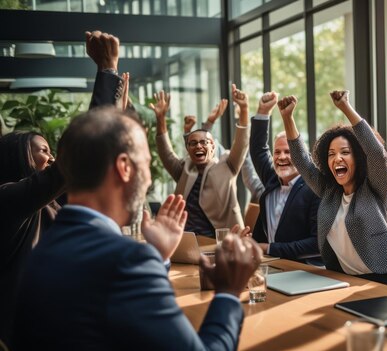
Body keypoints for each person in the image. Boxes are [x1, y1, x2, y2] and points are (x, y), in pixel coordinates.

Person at [13, 106, 262, 350]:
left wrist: (158, 255)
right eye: (146, 162)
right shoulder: (127, 261)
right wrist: (228, 292)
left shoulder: (44, 245)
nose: (150, 178)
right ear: (124, 167)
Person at [0, 30, 125, 346]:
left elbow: (91, 159)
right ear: (17, 155)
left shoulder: (46, 203)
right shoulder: (8, 199)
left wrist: (116, 116)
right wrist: (106, 71)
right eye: (42, 149)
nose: (52, 156)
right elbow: (82, 154)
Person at [279, 91, 387, 286]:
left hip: (380, 281)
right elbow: (302, 162)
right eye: (331, 154)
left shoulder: (375, 188)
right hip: (341, 280)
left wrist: (346, 107)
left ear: (359, 157)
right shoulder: (329, 192)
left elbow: (376, 154)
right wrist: (287, 117)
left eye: (345, 152)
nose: (337, 158)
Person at [152, 85, 250, 236]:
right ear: (188, 148)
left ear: (213, 146)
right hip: (185, 238)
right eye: (193, 143)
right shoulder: (185, 168)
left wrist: (244, 109)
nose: (198, 145)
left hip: (221, 240)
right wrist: (160, 119)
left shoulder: (227, 164)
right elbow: (166, 153)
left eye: (204, 142)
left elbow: (242, 143)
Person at [249, 91, 321, 263]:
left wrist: (269, 248)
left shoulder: (315, 187)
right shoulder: (272, 179)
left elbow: (317, 244)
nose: (281, 157)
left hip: (306, 270)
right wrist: (263, 112)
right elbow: (258, 150)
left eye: (288, 152)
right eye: (277, 152)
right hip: (271, 264)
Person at [183, 102, 265, 204]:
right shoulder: (263, 189)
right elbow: (202, 151)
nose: (199, 146)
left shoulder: (263, 189)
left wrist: (244, 112)